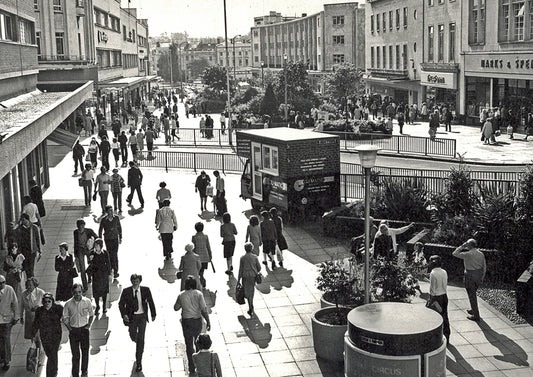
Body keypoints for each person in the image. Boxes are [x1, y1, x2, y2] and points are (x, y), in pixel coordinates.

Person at [118, 274, 156, 373]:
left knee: (141, 338)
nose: (135, 283)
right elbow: (121, 304)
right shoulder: (126, 291)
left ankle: (139, 362)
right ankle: (138, 341)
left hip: (142, 317)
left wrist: (153, 314)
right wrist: (124, 315)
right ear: (131, 282)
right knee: (133, 335)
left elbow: (151, 301)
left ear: (140, 281)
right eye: (133, 281)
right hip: (132, 317)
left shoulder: (145, 290)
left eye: (137, 281)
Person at [174, 276, 211, 375]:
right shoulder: (199, 294)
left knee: (189, 345)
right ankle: (199, 365)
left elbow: (176, 308)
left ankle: (191, 367)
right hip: (197, 321)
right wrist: (208, 321)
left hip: (186, 321)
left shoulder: (181, 295)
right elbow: (203, 309)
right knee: (198, 343)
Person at [62, 283, 94, 377]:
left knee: (85, 351)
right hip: (74, 331)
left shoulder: (87, 301)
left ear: (82, 292)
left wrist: (88, 325)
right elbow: (64, 318)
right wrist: (69, 328)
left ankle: (84, 371)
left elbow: (91, 314)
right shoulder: (68, 304)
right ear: (72, 292)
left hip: (84, 330)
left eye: (79, 292)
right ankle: (75, 373)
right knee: (75, 354)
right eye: (75, 292)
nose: (78, 294)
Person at [452, 238, 486, 321]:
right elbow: (484, 266)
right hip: (478, 275)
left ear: (469, 245)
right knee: (473, 293)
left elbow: (454, 253)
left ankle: (476, 315)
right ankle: (473, 309)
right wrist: (482, 277)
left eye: (467, 244)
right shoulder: (481, 254)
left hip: (470, 275)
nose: (466, 245)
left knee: (472, 296)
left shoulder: (468, 254)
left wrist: (462, 246)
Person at [31, 293, 63, 377]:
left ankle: (50, 374)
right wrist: (33, 334)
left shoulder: (58, 309)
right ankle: (55, 370)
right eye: (45, 302)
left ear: (52, 301)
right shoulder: (39, 311)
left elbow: (65, 315)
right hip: (45, 336)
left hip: (56, 335)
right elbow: (36, 323)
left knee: (52, 354)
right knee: (50, 354)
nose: (47, 303)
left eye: (49, 301)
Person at [427, 255, 451, 344]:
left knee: (435, 318)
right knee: (445, 317)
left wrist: (430, 300)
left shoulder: (433, 273)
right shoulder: (444, 271)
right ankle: (447, 336)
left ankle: (435, 338)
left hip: (436, 298)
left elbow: (433, 289)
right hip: (444, 296)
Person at [87, 239, 111, 316]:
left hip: (103, 275)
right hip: (96, 275)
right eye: (95, 245)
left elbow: (108, 263)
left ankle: (104, 306)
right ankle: (97, 306)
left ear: (101, 246)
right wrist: (90, 259)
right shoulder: (92, 253)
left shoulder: (105, 253)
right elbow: (89, 263)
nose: (96, 247)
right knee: (96, 292)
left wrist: (109, 274)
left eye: (98, 245)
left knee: (104, 291)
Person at [0, 275, 19, 370]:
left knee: (6, 340)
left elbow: (15, 303)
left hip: (7, 320)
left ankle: (7, 361)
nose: (1, 285)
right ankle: (1, 357)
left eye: (3, 283)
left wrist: (16, 316)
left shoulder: (9, 289)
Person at [238, 242, 262, 317]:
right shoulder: (255, 257)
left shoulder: (242, 258)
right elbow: (259, 268)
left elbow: (240, 269)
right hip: (252, 276)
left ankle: (250, 305)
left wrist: (238, 279)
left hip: (245, 276)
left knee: (247, 291)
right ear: (251, 248)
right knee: (251, 290)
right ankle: (251, 304)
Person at [73, 219, 97, 292]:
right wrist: (75, 253)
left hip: (88, 250)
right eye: (79, 226)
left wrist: (92, 243)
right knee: (82, 268)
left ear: (84, 225)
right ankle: (85, 286)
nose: (81, 227)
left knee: (91, 265)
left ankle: (89, 277)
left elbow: (97, 237)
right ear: (77, 226)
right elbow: (75, 242)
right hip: (80, 250)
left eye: (82, 226)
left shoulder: (89, 231)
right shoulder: (75, 232)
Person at [98, 205, 122, 278]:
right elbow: (100, 229)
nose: (111, 212)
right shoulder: (104, 220)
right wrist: (100, 239)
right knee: (109, 254)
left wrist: (120, 237)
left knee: (114, 254)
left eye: (112, 210)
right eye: (109, 211)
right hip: (108, 239)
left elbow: (119, 228)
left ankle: (115, 271)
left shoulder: (116, 218)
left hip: (115, 238)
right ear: (106, 212)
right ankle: (110, 268)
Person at [17, 213, 41, 278]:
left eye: (24, 220)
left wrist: (39, 250)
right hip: (23, 251)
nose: (23, 221)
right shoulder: (19, 229)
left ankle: (31, 280)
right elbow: (18, 241)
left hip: (32, 251)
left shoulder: (33, 228)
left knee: (31, 268)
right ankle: (29, 279)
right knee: (26, 268)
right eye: (22, 220)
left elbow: (37, 239)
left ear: (27, 220)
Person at [4, 243, 25, 318]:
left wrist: (19, 270)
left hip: (18, 276)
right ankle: (12, 309)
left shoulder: (21, 257)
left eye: (14, 248)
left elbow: (25, 266)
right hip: (10, 277)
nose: (13, 250)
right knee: (11, 292)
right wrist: (10, 269)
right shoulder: (8, 258)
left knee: (19, 292)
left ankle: (19, 311)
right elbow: (5, 268)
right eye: (11, 249)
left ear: (17, 248)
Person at [22, 277, 45, 344]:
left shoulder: (41, 292)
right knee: (32, 335)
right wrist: (20, 316)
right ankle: (34, 347)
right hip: (29, 317)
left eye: (30, 285)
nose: (28, 287)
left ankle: (41, 350)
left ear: (35, 285)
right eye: (27, 285)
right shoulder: (24, 294)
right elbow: (21, 305)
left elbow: (47, 304)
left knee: (40, 334)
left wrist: (39, 307)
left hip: (39, 316)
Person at [192, 222, 212, 288]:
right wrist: (210, 255)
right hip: (205, 257)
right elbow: (208, 246)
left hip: (197, 257)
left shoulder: (194, 237)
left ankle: (201, 280)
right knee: (202, 270)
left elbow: (193, 247)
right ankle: (202, 278)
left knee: (197, 270)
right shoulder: (205, 237)